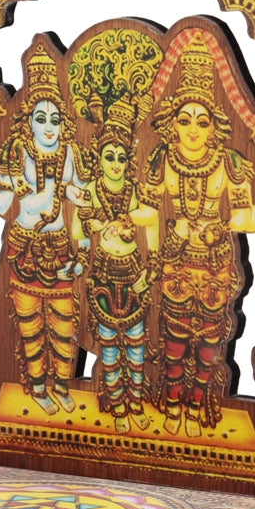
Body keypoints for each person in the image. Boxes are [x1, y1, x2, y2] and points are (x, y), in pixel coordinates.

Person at [144, 48, 255, 438]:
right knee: (174, 340)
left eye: (202, 122)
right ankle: (172, 403)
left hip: (216, 265)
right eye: (184, 120)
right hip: (176, 263)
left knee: (208, 344)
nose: (192, 130)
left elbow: (246, 220)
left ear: (213, 127)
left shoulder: (230, 163)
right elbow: (147, 214)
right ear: (173, 124)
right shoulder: (162, 160)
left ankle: (197, 404)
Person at [0, 46, 89, 416]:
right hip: (25, 247)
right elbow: (2, 199)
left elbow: (78, 200)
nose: (49, 127)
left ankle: (61, 385)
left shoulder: (70, 153)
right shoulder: (16, 151)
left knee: (63, 324)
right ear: (30, 121)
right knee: (30, 326)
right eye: (41, 119)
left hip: (59, 248)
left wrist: (84, 236)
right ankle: (38, 387)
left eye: (55, 119)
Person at [77, 101, 158, 433]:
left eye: (121, 158)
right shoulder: (92, 190)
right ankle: (117, 405)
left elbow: (151, 220)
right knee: (109, 343)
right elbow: (79, 226)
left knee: (136, 343)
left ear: (129, 160)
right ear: (98, 158)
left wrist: (150, 269)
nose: (115, 164)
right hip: (104, 273)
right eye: (109, 156)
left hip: (133, 271)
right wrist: (94, 227)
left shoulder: (133, 190)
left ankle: (135, 402)